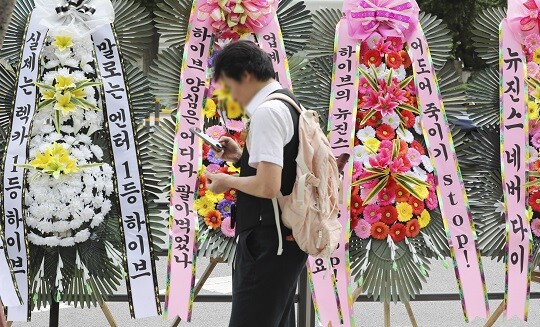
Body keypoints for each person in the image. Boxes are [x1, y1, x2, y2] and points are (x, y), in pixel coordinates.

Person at [206, 40, 308, 327]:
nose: (231, 95)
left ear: (246, 75)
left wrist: (227, 180)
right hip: (283, 241)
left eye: (229, 85)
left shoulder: (267, 112)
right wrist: (240, 157)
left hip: (267, 243)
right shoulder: (287, 103)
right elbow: (282, 169)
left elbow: (268, 186)